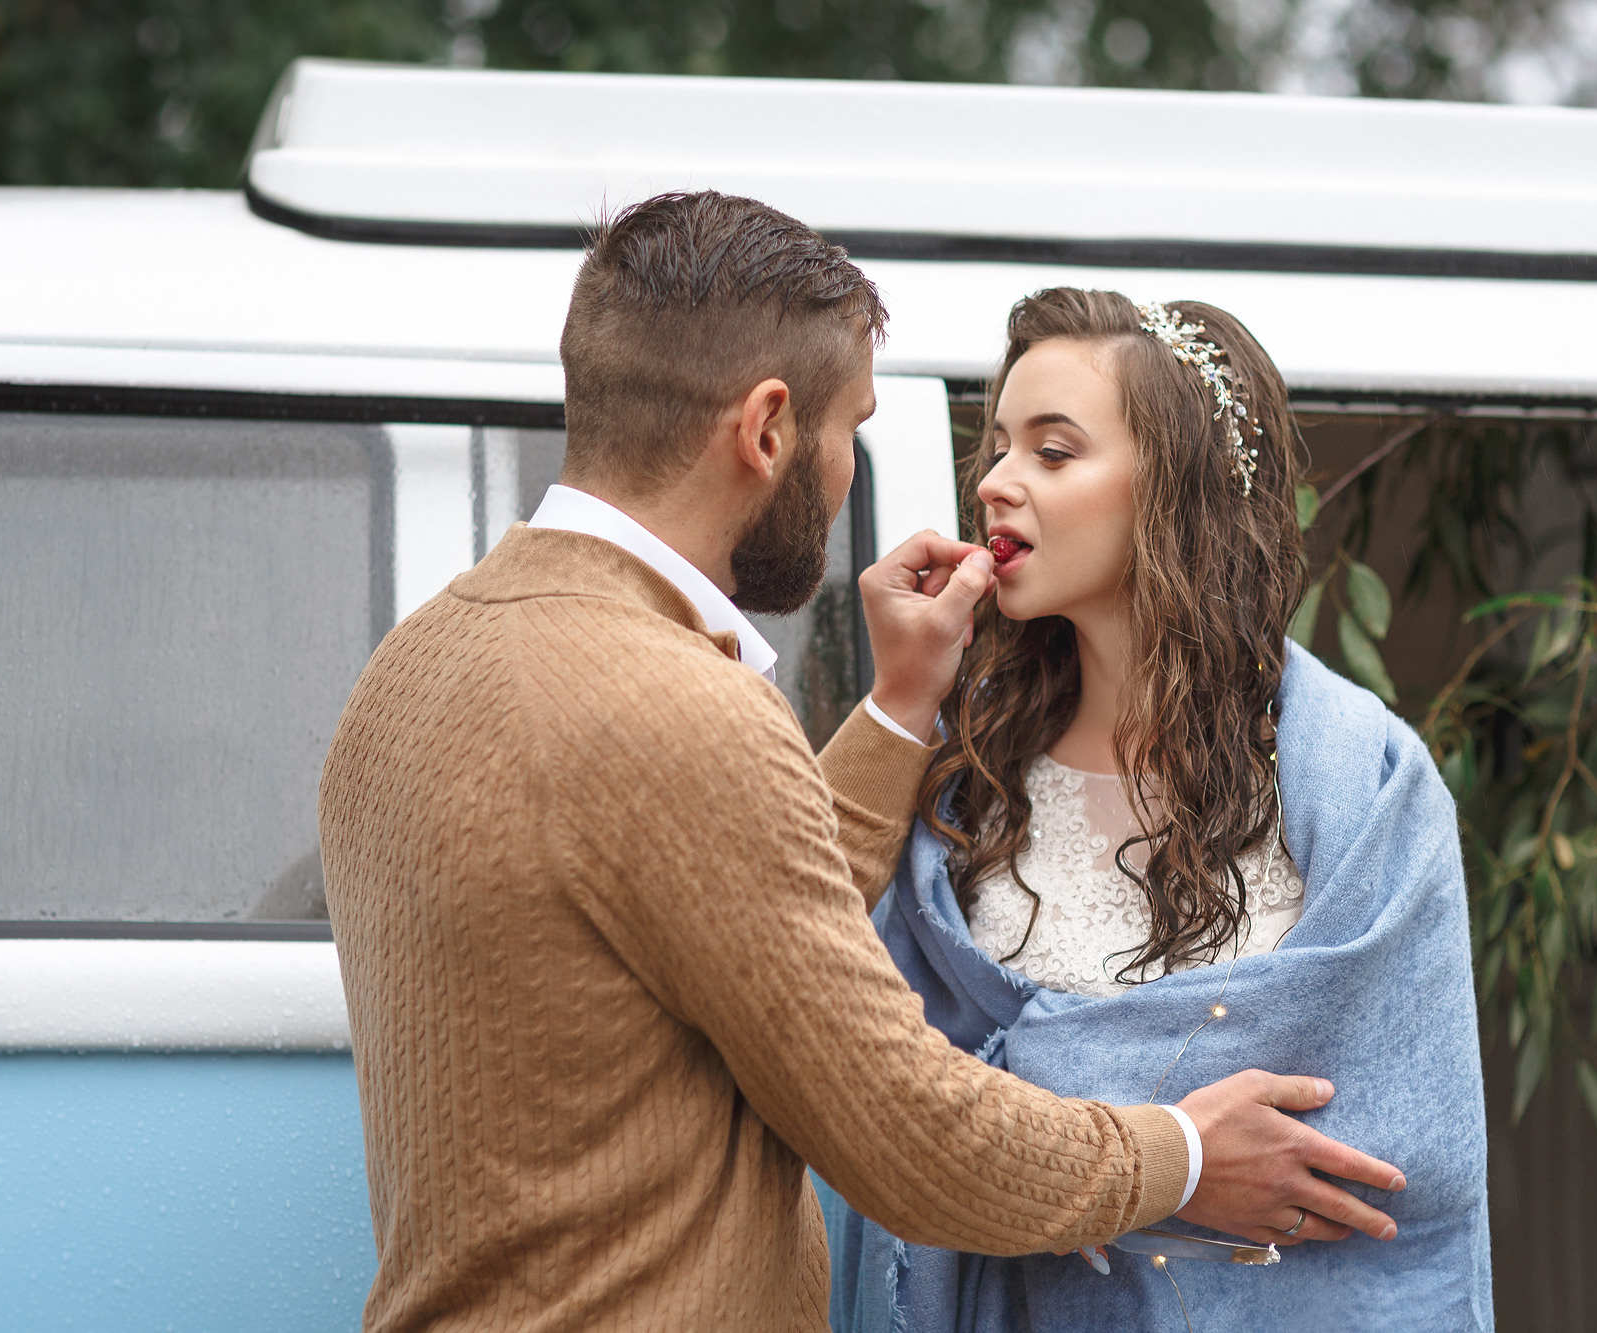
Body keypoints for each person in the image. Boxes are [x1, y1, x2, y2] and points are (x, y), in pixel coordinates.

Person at [318, 195, 1408, 1333]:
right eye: (852, 430)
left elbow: (732, 928)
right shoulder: (675, 708)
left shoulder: (412, 668)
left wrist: (898, 705)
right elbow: (903, 1130)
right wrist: (1181, 1154)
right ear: (767, 429)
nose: (857, 479)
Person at [824, 288, 1492, 1330]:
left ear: (1172, 488)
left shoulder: (1359, 779)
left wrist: (1045, 1131)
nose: (995, 483)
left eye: (1051, 452)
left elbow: (1404, 1143)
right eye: (996, 447)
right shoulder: (957, 775)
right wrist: (1177, 1160)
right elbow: (834, 1044)